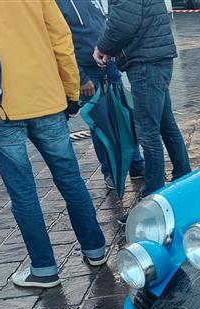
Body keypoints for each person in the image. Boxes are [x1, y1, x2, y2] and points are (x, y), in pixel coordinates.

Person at [0, 0, 108, 288]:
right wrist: (70, 91)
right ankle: (95, 248)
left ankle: (44, 268)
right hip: (46, 96)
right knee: (70, 178)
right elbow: (61, 39)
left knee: (22, 192)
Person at [93, 0, 191, 217]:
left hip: (146, 63)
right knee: (166, 125)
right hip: (155, 57)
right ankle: (184, 178)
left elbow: (123, 22)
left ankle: (153, 198)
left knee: (148, 133)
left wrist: (103, 47)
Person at [55, 0, 146, 192]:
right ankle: (110, 172)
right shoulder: (57, 3)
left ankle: (135, 163)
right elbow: (60, 44)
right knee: (100, 124)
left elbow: (105, 25)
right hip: (87, 72)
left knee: (124, 116)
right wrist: (80, 77)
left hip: (108, 64)